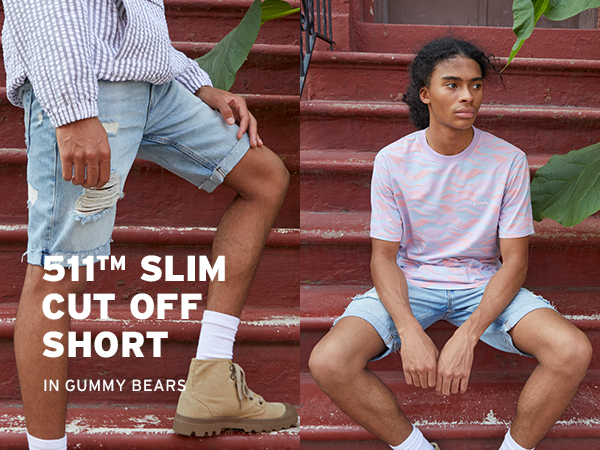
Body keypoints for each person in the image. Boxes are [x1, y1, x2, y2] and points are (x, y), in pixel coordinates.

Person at [2, 1, 298, 449]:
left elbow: (133, 23)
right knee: (57, 273)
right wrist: (72, 109)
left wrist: (197, 83)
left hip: (155, 86)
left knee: (265, 178)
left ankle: (212, 382)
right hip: (87, 83)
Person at [308, 37, 592, 450]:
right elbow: (383, 258)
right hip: (413, 281)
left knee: (571, 351)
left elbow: (514, 261)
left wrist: (467, 335)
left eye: (476, 85)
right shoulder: (393, 160)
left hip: (483, 283)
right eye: (453, 85)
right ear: (425, 94)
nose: (468, 97)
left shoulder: (507, 160)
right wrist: (408, 327)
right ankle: (416, 448)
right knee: (328, 361)